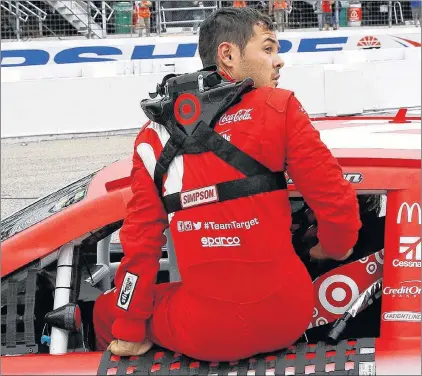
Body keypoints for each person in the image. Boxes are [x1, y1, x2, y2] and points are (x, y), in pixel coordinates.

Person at [93, 7, 361, 361]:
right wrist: (332, 249)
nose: (278, 61)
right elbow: (337, 202)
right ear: (228, 55)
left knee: (103, 311)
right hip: (288, 315)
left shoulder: (152, 137)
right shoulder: (279, 107)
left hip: (205, 331)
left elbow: (141, 244)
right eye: (268, 49)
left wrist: (129, 329)